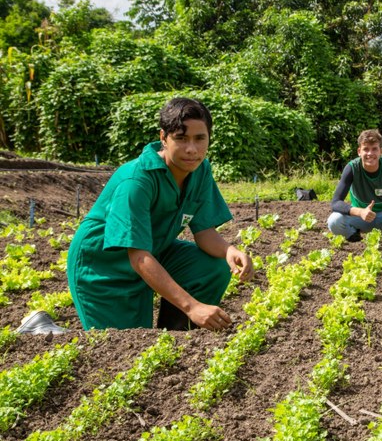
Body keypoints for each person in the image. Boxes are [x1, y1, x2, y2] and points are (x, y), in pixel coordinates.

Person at [67, 97, 254, 331]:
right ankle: (42, 331)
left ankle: (178, 341)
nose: (192, 149)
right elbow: (138, 256)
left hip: (153, 251)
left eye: (200, 138)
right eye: (181, 138)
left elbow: (204, 230)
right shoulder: (136, 180)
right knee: (125, 343)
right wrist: (192, 306)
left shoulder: (199, 170)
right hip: (104, 267)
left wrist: (229, 250)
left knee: (212, 268)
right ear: (163, 138)